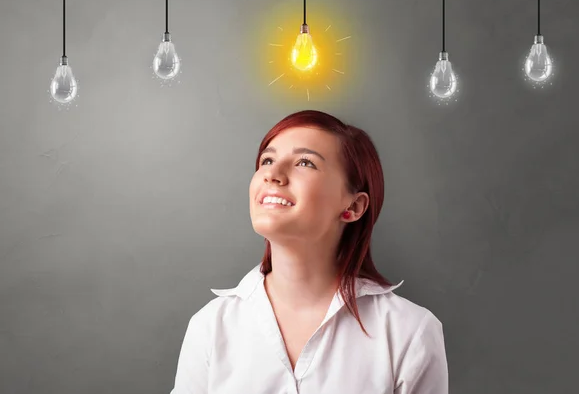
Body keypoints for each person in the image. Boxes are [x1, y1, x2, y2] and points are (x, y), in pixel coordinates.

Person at [169, 110, 449, 394]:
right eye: (267, 160)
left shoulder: (409, 332)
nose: (272, 175)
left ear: (353, 207)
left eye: (305, 162)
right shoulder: (211, 326)